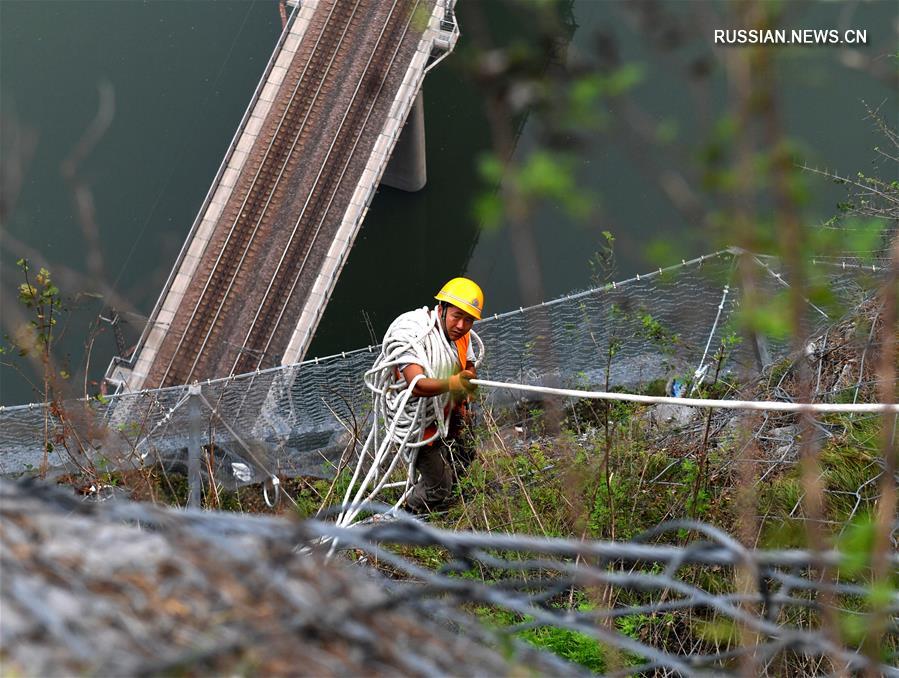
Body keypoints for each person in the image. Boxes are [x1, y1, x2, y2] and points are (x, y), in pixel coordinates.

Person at [393, 277, 483, 513]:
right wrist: (453, 383)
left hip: (451, 414)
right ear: (441, 309)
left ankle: (450, 495)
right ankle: (408, 511)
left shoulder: (460, 335)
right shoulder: (413, 334)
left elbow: (469, 363)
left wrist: (467, 380)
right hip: (421, 425)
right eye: (456, 316)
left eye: (469, 320)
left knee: (466, 455)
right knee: (439, 487)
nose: (462, 326)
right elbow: (416, 384)